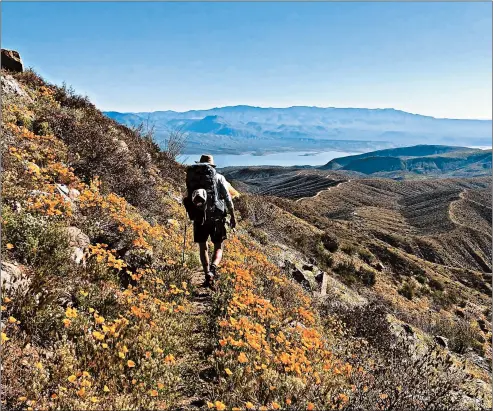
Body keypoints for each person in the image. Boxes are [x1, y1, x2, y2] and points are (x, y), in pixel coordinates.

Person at [184, 154, 237, 288]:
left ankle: (207, 274)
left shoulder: (193, 178)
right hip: (216, 218)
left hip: (199, 217)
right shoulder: (218, 177)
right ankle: (212, 270)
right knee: (218, 246)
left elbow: (189, 196)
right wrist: (233, 216)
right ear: (212, 165)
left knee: (203, 247)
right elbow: (228, 199)